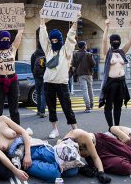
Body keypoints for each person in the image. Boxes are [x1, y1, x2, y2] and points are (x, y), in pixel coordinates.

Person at [0, 115, 78, 182]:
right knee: (55, 174)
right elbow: (0, 155)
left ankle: (62, 165)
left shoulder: (2, 119)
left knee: (73, 171)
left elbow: (23, 132)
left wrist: (28, 155)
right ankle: (61, 166)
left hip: (33, 147)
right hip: (20, 159)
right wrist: (16, 171)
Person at [39, 10, 80, 138]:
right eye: (52, 40)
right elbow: (43, 36)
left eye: (57, 40)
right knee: (51, 108)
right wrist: (42, 19)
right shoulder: (48, 49)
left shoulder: (66, 51)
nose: (54, 42)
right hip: (48, 83)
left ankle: (75, 129)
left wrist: (75, 22)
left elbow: (71, 37)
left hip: (62, 83)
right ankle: (54, 129)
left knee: (67, 107)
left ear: (60, 40)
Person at [0, 12, 25, 125]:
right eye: (3, 39)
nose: (6, 40)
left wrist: (21, 18)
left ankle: (17, 132)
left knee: (14, 110)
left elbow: (20, 33)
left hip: (13, 80)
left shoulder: (13, 49)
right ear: (0, 40)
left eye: (8, 39)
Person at [64, 128, 131, 177]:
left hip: (103, 143)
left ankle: (129, 149)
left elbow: (95, 157)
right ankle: (122, 157)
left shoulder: (82, 136)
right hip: (95, 156)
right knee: (125, 168)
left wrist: (101, 173)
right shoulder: (63, 145)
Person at [99, 19, 131, 129]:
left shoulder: (121, 52)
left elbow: (130, 41)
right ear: (111, 42)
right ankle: (111, 127)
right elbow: (104, 41)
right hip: (111, 83)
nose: (116, 42)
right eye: (114, 41)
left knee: (118, 106)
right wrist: (106, 27)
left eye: (118, 40)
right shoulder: (107, 53)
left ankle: (117, 127)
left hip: (121, 82)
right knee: (108, 106)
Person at [72, 41, 96, 113]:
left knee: (84, 90)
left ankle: (87, 107)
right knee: (90, 89)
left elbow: (73, 64)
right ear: (84, 46)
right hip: (89, 74)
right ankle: (91, 104)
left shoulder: (75, 54)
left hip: (81, 75)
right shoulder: (89, 54)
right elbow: (94, 64)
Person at [30, 43, 47, 118]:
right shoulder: (46, 54)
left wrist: (34, 75)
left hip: (37, 77)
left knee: (38, 93)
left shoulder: (34, 55)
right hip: (45, 77)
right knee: (43, 94)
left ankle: (38, 111)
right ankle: (43, 112)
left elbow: (31, 66)